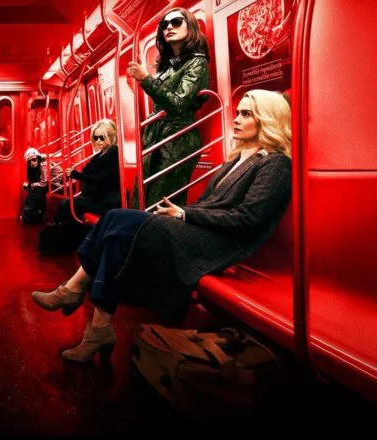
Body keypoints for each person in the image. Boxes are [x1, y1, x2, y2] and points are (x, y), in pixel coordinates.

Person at [31, 90, 292, 362]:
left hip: (219, 245)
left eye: (246, 114)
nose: (236, 119)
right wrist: (181, 213)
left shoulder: (276, 164)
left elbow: (248, 219)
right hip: (202, 231)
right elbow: (208, 203)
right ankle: (94, 324)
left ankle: (76, 296)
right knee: (116, 227)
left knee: (118, 222)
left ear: (268, 119)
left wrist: (184, 215)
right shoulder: (237, 159)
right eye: (237, 112)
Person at [127, 7, 211, 208]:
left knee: (160, 204)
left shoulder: (197, 63)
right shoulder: (169, 65)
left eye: (176, 22)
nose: (169, 27)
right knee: (143, 199)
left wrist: (146, 79)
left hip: (177, 139)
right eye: (164, 25)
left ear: (190, 26)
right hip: (157, 137)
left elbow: (179, 103)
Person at [55, 119, 121, 224]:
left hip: (105, 200)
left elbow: (104, 180)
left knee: (67, 204)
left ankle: (60, 228)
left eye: (102, 137)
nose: (98, 140)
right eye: (95, 137)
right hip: (96, 197)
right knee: (67, 204)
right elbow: (87, 172)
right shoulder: (100, 155)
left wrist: (77, 175)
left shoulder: (114, 153)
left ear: (111, 136)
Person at [21, 147, 48, 224]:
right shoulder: (39, 164)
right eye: (30, 161)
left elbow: (44, 182)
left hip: (56, 183)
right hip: (48, 183)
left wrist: (30, 185)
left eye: (34, 159)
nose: (32, 162)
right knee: (34, 190)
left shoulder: (43, 165)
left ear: (38, 157)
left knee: (37, 190)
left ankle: (32, 217)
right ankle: (31, 216)